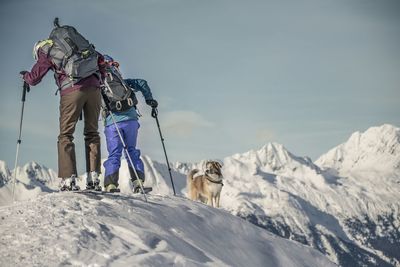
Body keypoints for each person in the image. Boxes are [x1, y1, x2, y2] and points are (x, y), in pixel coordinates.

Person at [21, 22, 105, 191]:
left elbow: (36, 77)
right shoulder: (77, 43)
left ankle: (69, 179)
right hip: (94, 88)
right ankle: (93, 177)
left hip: (72, 90)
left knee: (66, 134)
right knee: (92, 132)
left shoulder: (46, 49)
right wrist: (98, 82)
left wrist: (26, 77)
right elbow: (100, 61)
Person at [101, 55, 158, 192]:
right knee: (131, 150)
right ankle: (138, 183)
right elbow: (142, 82)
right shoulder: (124, 83)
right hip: (131, 120)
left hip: (112, 122)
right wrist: (149, 100)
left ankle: (111, 185)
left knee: (114, 154)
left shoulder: (99, 84)